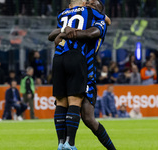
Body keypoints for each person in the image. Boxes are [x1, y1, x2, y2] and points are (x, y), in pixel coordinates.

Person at [48, 0, 115, 149]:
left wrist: (66, 33)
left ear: (100, 10)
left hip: (87, 72)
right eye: (88, 2)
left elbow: (90, 33)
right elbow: (52, 35)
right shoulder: (83, 16)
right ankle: (65, 145)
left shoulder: (99, 22)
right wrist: (66, 30)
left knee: (88, 118)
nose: (89, 4)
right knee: (65, 105)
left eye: (93, 3)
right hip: (73, 64)